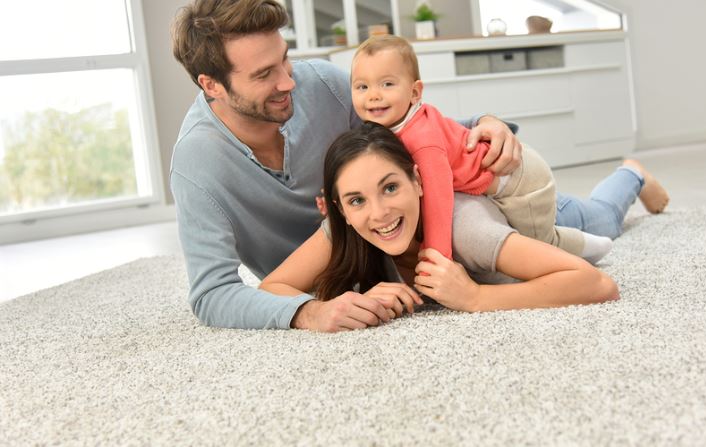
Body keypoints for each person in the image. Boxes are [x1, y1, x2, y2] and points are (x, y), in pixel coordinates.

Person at [169, 0, 522, 331]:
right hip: (341, 269)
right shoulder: (197, 164)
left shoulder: (321, 84)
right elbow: (211, 293)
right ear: (211, 85)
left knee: (551, 223)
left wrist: (483, 122)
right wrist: (310, 311)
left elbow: (409, 130)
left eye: (285, 59)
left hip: (412, 238)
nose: (288, 81)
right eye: (264, 75)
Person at [259, 122, 620, 327]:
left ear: (418, 181)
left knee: (604, 217)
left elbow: (598, 284)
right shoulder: (348, 226)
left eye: (390, 187)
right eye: (357, 200)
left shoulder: (468, 231)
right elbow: (271, 287)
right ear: (340, 209)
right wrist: (333, 307)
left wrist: (477, 297)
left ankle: (632, 174)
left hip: (528, 212)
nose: (379, 213)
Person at [350, 35, 614, 264]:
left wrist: (437, 254)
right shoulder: (396, 123)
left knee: (541, 245)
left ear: (415, 92)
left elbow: (438, 198)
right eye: (362, 86)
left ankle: (596, 246)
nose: (373, 95)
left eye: (387, 84)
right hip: (495, 182)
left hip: (521, 181)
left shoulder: (422, 139)